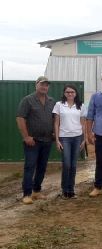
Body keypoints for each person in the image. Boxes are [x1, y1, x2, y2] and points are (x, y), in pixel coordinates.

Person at [16, 76, 56, 204]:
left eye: (46, 85)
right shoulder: (28, 100)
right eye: (42, 84)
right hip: (32, 141)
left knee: (42, 167)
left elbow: (55, 118)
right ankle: (27, 194)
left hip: (47, 140)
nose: (44, 87)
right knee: (30, 167)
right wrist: (26, 137)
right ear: (36, 85)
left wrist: (55, 133)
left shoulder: (51, 101)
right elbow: (20, 118)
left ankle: (36, 191)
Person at [53, 84, 86, 199]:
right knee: (66, 164)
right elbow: (56, 123)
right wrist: (57, 140)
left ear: (76, 93)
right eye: (68, 92)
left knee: (73, 165)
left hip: (77, 138)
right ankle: (64, 190)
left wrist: (84, 140)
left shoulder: (81, 105)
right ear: (64, 93)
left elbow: (83, 124)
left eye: (72, 92)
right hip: (64, 138)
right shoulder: (59, 105)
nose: (70, 94)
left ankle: (71, 190)